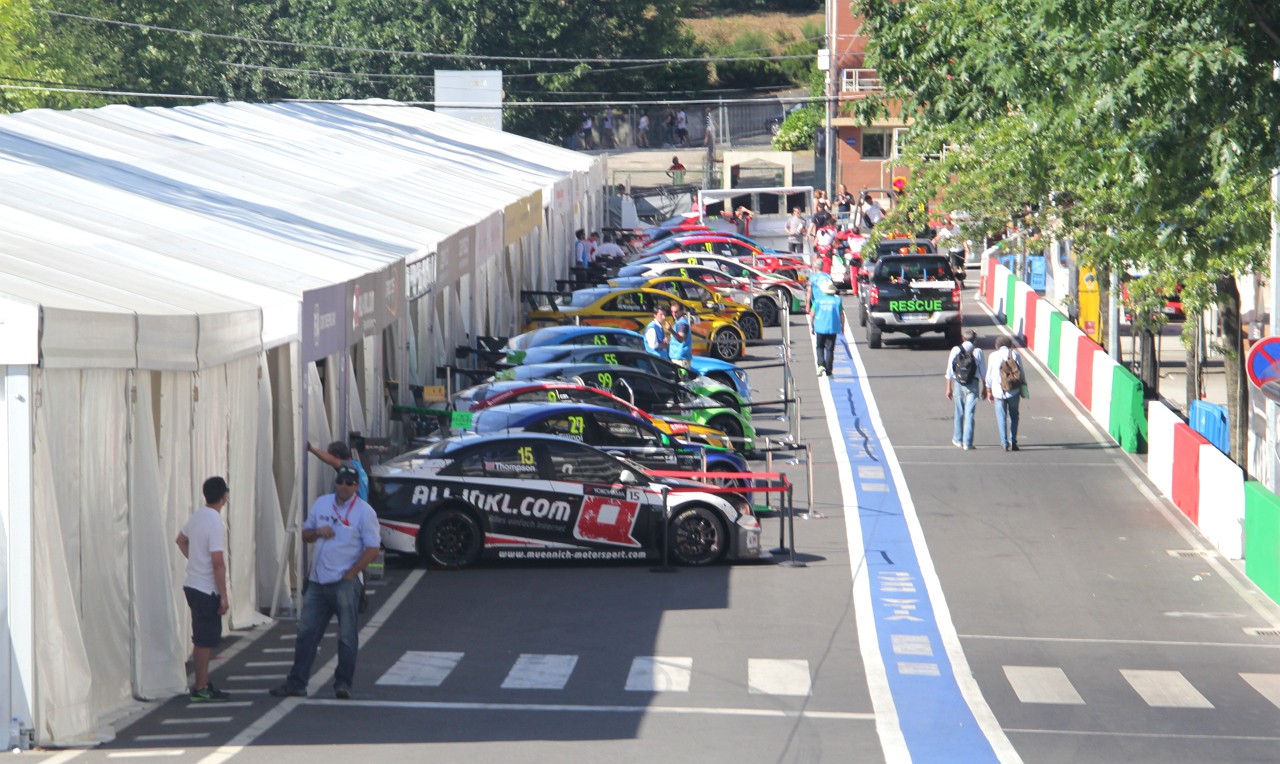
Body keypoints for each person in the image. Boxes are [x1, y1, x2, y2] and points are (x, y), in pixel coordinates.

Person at [271, 466, 381, 700]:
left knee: (347, 636)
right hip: (318, 581)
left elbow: (373, 549)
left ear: (356, 486)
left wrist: (352, 574)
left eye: (349, 483)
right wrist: (318, 532)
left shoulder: (364, 512)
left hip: (344, 582)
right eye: (340, 481)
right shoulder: (322, 503)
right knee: (306, 633)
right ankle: (297, 682)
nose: (344, 486)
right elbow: (304, 534)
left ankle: (343, 683)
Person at [177, 476, 231, 703]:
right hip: (206, 588)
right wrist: (224, 595)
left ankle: (203, 682)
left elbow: (180, 540)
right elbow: (217, 561)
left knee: (203, 637)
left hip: (192, 583)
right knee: (204, 640)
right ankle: (200, 686)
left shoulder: (197, 516)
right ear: (224, 496)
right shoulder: (216, 523)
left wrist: (195, 561)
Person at [945, 330, 985, 450]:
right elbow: (983, 372)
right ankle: (967, 442)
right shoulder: (978, 352)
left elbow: (950, 371)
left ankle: (957, 439)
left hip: (958, 383)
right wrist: (986, 389)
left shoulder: (956, 350)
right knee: (970, 413)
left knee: (959, 411)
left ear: (963, 338)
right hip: (973, 383)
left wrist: (948, 388)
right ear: (975, 340)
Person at [985, 336, 1027, 451]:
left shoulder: (993, 356)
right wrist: (1024, 388)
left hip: (998, 391)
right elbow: (1021, 372)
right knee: (1014, 416)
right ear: (1010, 345)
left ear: (997, 346)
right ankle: (1013, 440)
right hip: (1013, 390)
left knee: (1001, 416)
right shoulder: (1014, 354)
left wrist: (988, 390)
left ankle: (1004, 442)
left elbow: (989, 375)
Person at [811, 279, 843, 377]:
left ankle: (821, 364)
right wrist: (843, 327)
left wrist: (812, 325)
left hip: (820, 327)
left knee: (820, 346)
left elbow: (812, 314)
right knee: (830, 349)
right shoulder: (837, 300)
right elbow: (841, 315)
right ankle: (829, 371)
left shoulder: (818, 300)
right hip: (833, 327)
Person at [667, 301, 693, 369]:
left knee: (682, 379)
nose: (674, 314)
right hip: (677, 358)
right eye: (672, 312)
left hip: (681, 360)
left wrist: (670, 330)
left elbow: (681, 339)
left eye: (676, 312)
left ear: (681, 311)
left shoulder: (682, 324)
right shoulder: (678, 322)